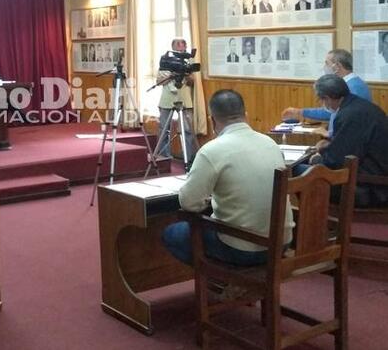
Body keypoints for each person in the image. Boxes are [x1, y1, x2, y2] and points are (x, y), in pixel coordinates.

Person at [162, 90, 293, 266]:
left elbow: (188, 203)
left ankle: (222, 277)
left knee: (173, 233)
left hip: (242, 248)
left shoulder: (211, 150)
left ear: (212, 120)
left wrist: (207, 201)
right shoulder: (270, 143)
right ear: (245, 116)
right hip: (281, 243)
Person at [301, 75, 388, 207]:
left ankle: (309, 222)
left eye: (321, 99)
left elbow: (337, 161)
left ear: (327, 99)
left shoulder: (349, 115)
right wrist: (327, 147)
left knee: (300, 173)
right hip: (376, 176)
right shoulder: (360, 106)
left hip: (371, 188)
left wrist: (317, 158)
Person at [282, 49, 371, 135]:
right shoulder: (352, 83)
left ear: (337, 67)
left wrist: (301, 112)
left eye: (327, 63)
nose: (324, 67)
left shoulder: (353, 87)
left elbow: (336, 113)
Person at [156, 38, 198, 165]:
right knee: (164, 128)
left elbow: (192, 82)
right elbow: (158, 81)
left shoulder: (189, 61)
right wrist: (172, 74)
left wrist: (185, 74)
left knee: (187, 130)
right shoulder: (166, 60)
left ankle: (189, 158)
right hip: (167, 99)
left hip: (184, 100)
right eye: (178, 47)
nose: (181, 49)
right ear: (173, 48)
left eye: (183, 47)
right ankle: (164, 156)